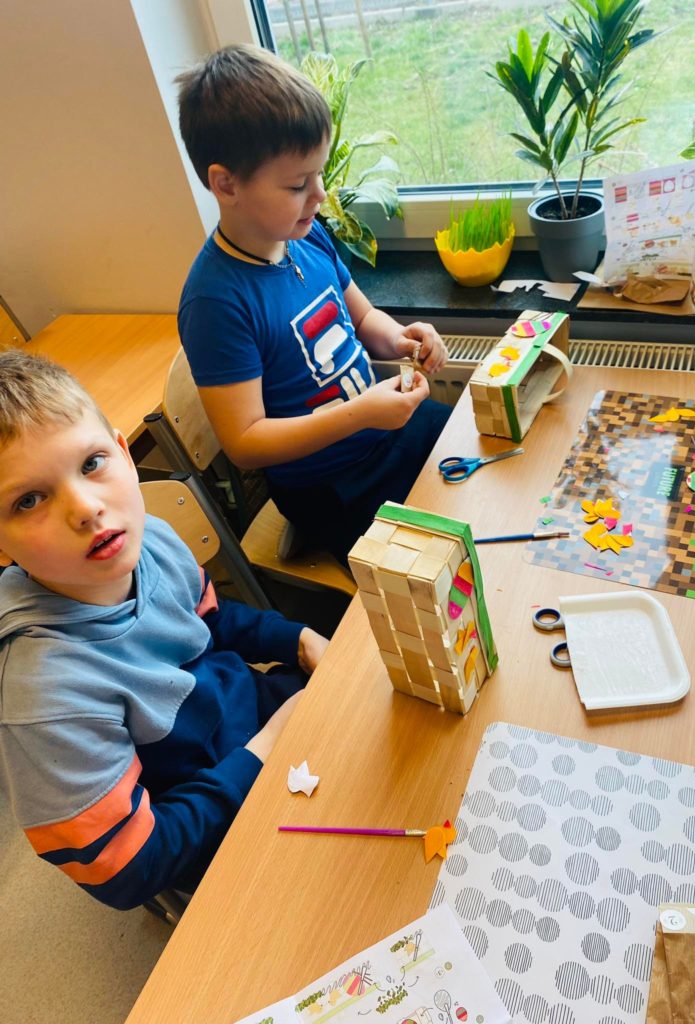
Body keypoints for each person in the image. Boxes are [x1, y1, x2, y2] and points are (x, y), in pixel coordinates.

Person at [0, 350, 328, 910]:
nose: (87, 509)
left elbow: (213, 621)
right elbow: (129, 868)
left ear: (125, 455)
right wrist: (268, 748)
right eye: (29, 500)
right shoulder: (45, 695)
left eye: (92, 463)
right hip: (213, 829)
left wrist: (296, 640)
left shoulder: (147, 539)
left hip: (262, 717)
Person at [176, 45, 452, 565]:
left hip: (382, 432)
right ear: (226, 184)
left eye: (319, 174)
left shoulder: (306, 235)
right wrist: (360, 414)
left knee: (483, 460)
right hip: (330, 482)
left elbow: (363, 317)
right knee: (434, 563)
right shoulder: (215, 301)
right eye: (298, 184)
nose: (320, 194)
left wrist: (400, 338)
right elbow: (246, 442)